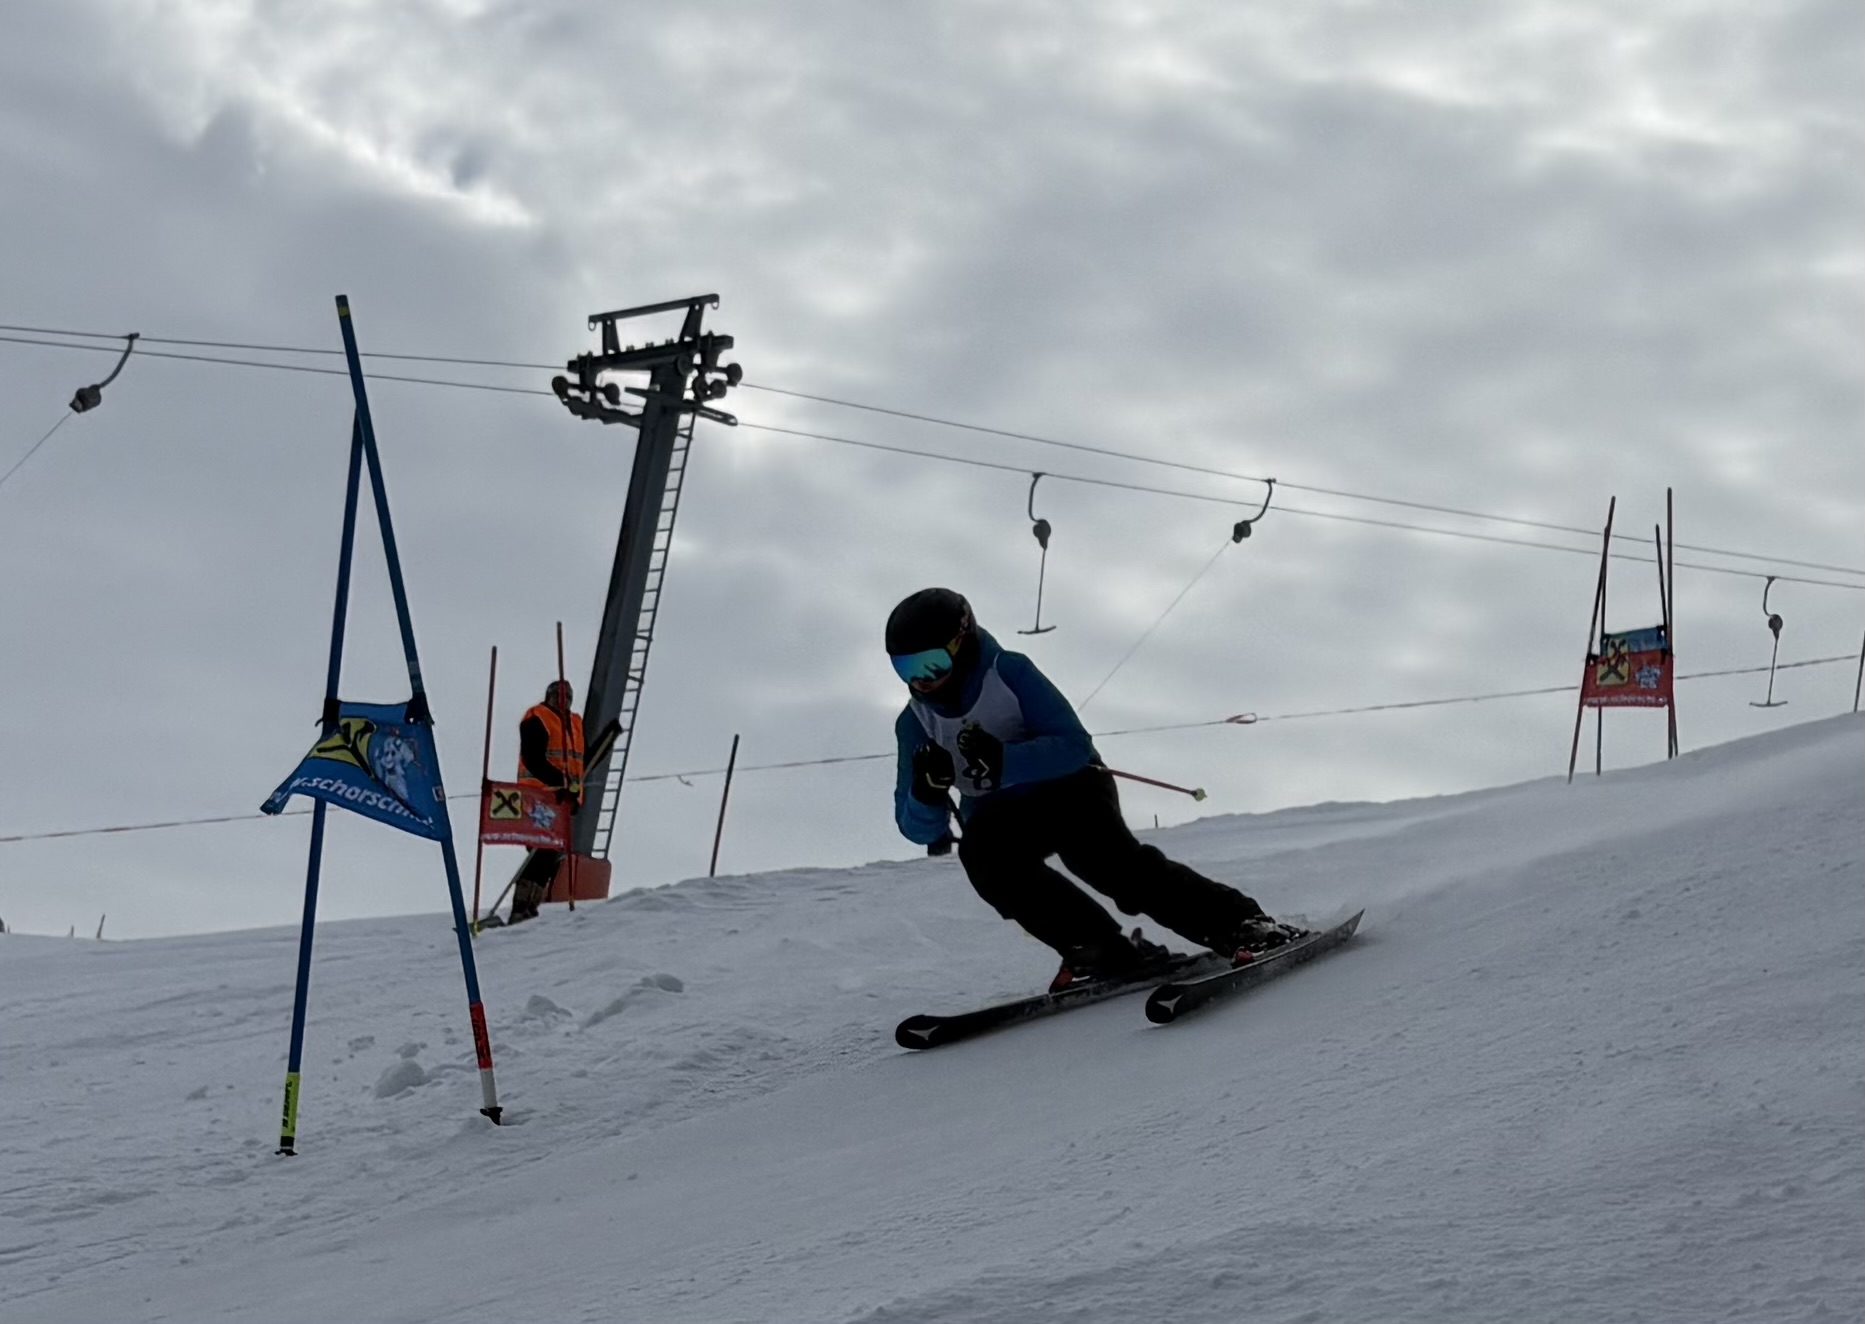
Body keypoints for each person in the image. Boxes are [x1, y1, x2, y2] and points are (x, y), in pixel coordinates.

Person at [887, 587, 1300, 991]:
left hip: (1071, 789)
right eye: (905, 669)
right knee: (987, 860)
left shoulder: (1008, 673)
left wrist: (1005, 760)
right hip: (1001, 814)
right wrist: (926, 794)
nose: (921, 682)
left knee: (1103, 860)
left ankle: (1239, 924)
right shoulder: (915, 723)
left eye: (931, 664)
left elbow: (1073, 745)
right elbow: (915, 828)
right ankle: (1097, 949)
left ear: (962, 644)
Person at [508, 679, 585, 924]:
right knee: (541, 850)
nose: (564, 701)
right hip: (538, 796)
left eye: (568, 697)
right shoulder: (537, 718)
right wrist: (561, 781)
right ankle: (521, 906)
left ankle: (530, 906)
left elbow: (581, 759)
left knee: (549, 853)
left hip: (562, 799)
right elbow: (532, 758)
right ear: (549, 696)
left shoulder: (575, 723)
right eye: (559, 696)